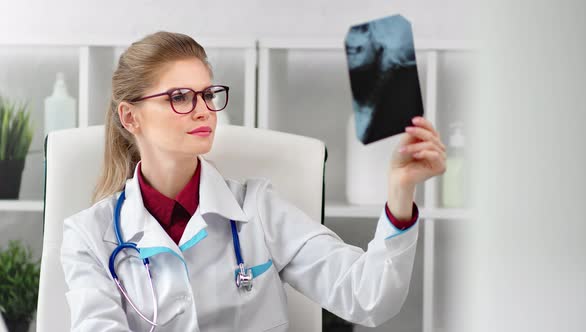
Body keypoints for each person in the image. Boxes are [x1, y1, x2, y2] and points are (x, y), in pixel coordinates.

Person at [60, 31, 446, 331]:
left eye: (207, 95)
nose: (203, 111)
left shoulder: (257, 209)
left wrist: (400, 190)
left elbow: (368, 298)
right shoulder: (89, 236)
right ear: (130, 118)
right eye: (180, 97)